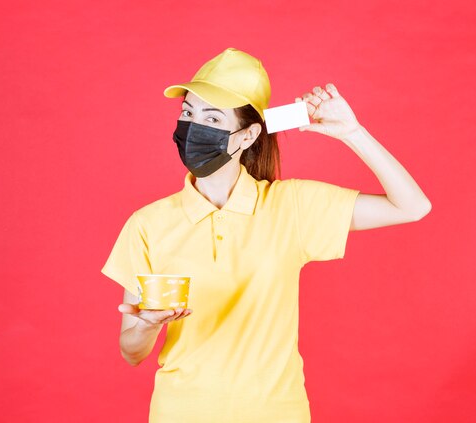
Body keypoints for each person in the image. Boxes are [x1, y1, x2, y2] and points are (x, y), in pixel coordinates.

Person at [101, 47, 431, 423]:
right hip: (180, 413)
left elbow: (412, 207)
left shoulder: (291, 207)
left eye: (212, 118)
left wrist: (353, 133)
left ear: (247, 136)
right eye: (188, 113)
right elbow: (131, 352)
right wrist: (146, 325)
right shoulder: (148, 224)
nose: (193, 128)